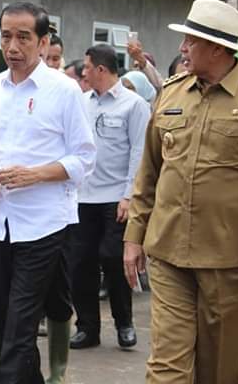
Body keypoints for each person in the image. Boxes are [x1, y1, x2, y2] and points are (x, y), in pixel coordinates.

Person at [124, 0, 238, 384]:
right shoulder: (171, 92)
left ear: (217, 48)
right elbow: (149, 172)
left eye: (191, 42)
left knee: (220, 371)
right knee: (166, 367)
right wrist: (134, 236)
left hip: (228, 261)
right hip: (167, 252)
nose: (182, 49)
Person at [0, 1, 96, 384]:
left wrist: (36, 175)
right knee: (5, 316)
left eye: (23, 37)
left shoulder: (64, 91)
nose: (13, 46)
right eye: (6, 36)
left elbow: (84, 159)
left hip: (43, 225)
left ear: (43, 42)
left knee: (22, 321)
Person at [69, 44, 150, 351]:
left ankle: (124, 324)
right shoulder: (81, 103)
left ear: (100, 69)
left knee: (114, 260)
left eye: (87, 67)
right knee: (81, 264)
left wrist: (129, 195)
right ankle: (87, 327)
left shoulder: (134, 105)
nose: (83, 72)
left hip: (116, 197)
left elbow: (139, 153)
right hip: (82, 197)